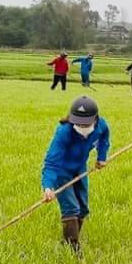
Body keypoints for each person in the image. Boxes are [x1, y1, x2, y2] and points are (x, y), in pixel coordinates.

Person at [41, 96, 110, 254]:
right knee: (71, 207)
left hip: (80, 168)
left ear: (95, 119)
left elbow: (104, 139)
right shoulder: (64, 132)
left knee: (83, 208)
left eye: (85, 123)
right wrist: (48, 187)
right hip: (62, 172)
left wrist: (102, 157)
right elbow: (51, 163)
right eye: (77, 122)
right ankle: (72, 248)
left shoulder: (101, 126)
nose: (81, 126)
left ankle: (71, 237)